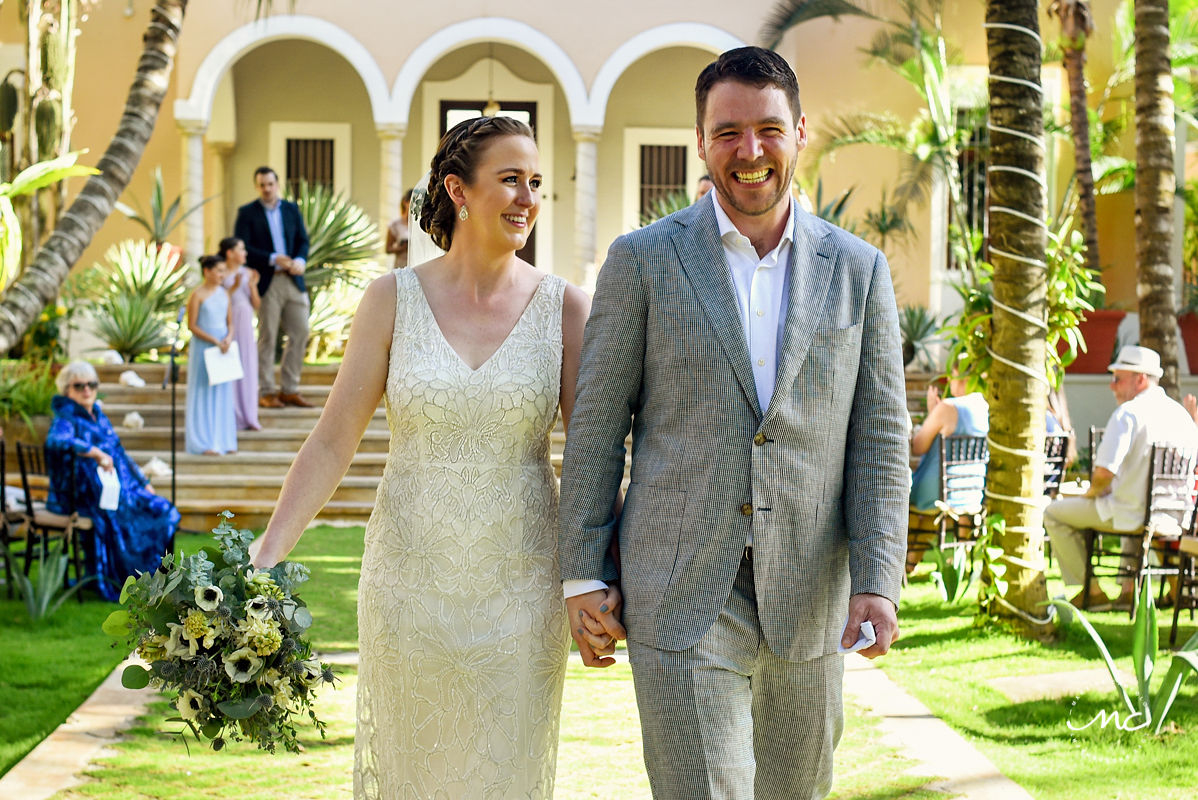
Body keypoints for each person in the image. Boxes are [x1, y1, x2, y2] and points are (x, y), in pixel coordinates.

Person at [559, 47, 908, 800]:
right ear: (699, 139)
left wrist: (879, 578)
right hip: (680, 590)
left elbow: (879, 440)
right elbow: (596, 424)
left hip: (811, 593)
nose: (749, 152)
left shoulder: (859, 269)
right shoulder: (642, 261)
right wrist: (584, 571)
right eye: (727, 133)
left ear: (801, 132)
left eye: (768, 130)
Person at [248, 116, 612, 799]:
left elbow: (593, 462)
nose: (527, 198)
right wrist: (265, 554)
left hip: (521, 597)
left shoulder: (567, 310)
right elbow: (332, 440)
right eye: (510, 179)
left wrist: (598, 584)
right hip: (407, 593)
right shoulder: (391, 300)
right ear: (458, 189)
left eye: (535, 183)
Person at [1045, 346, 1198, 609]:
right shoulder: (1181, 416)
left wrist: (1091, 493)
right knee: (1129, 500)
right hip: (1173, 516)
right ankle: (1128, 590)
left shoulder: (1129, 414)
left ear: (1140, 379)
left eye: (1117, 378)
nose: (1111, 386)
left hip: (1132, 514)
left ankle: (1091, 590)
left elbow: (1104, 473)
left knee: (1053, 513)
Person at [45, 361, 180, 602]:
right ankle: (126, 577)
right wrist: (94, 451)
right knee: (132, 514)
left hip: (121, 488)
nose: (87, 390)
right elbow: (56, 441)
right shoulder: (65, 417)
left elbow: (120, 452)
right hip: (86, 495)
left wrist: (142, 480)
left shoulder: (98, 415)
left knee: (164, 508)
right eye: (79, 386)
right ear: (67, 390)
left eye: (91, 385)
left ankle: (158, 578)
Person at [233, 166, 313, 409]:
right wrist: (271, 258)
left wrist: (299, 260)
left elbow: (303, 240)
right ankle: (266, 391)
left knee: (301, 332)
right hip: (267, 281)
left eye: (270, 184)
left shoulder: (291, 209)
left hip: (293, 280)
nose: (267, 189)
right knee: (268, 337)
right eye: (262, 185)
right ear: (257, 187)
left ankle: (289, 389)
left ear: (277, 184)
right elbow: (242, 246)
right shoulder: (247, 213)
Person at [909, 372, 990, 512]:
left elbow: (917, 447)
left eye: (951, 374)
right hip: (973, 493)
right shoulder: (987, 408)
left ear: (960, 376)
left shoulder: (947, 407)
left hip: (938, 494)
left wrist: (932, 413)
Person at [185, 254, 237, 456]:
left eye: (224, 270)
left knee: (222, 392)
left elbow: (230, 322)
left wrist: (228, 337)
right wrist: (214, 341)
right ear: (207, 271)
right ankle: (203, 442)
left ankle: (224, 440)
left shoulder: (225, 294)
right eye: (219, 270)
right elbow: (192, 325)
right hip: (204, 348)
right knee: (202, 391)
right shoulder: (197, 295)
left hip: (223, 347)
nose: (222, 274)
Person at [220, 236, 263, 431]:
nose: (245, 253)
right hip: (228, 321)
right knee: (230, 365)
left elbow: (257, 304)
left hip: (245, 319)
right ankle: (232, 414)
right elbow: (218, 300)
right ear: (230, 253)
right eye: (241, 249)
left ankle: (249, 415)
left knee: (247, 364)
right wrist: (235, 287)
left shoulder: (248, 273)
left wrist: (252, 286)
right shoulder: (220, 272)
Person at [385, 188, 413, 268]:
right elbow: (388, 249)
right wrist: (402, 248)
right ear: (405, 202)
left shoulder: (420, 224)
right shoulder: (395, 224)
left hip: (417, 264)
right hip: (401, 264)